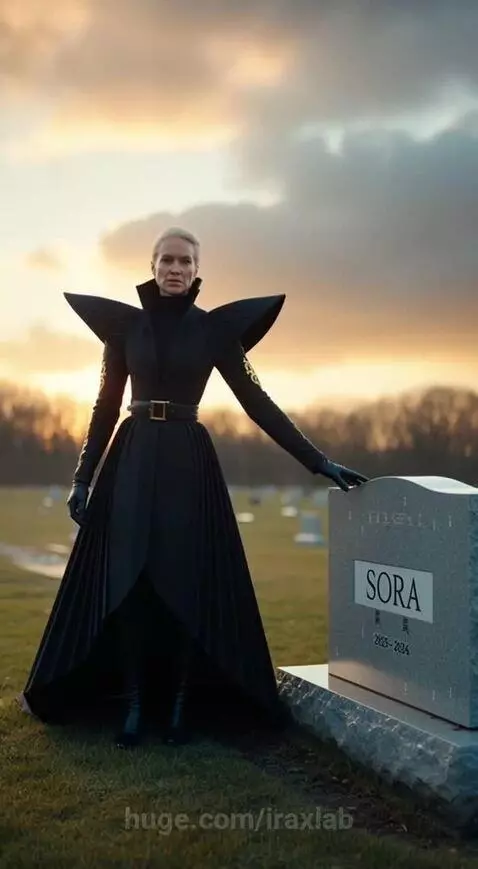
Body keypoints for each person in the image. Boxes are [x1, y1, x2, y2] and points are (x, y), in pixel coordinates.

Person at [20, 227, 368, 749]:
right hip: (131, 456)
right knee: (130, 585)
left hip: (187, 458)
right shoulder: (125, 329)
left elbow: (258, 402)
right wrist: (82, 476)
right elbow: (103, 407)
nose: (175, 268)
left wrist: (317, 461)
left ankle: (180, 706)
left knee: (185, 583)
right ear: (153, 266)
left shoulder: (214, 332)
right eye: (167, 260)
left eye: (185, 261)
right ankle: (135, 705)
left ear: (196, 270)